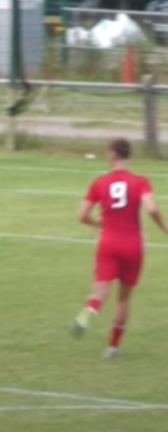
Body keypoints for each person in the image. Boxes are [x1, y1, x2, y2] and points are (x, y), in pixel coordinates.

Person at [70, 138, 168, 358]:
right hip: (132, 245)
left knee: (100, 292)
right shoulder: (140, 182)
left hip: (108, 243)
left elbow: (81, 215)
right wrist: (164, 226)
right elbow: (151, 208)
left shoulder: (99, 183)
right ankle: (113, 347)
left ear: (112, 156)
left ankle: (89, 310)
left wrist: (97, 223)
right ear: (128, 156)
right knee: (124, 298)